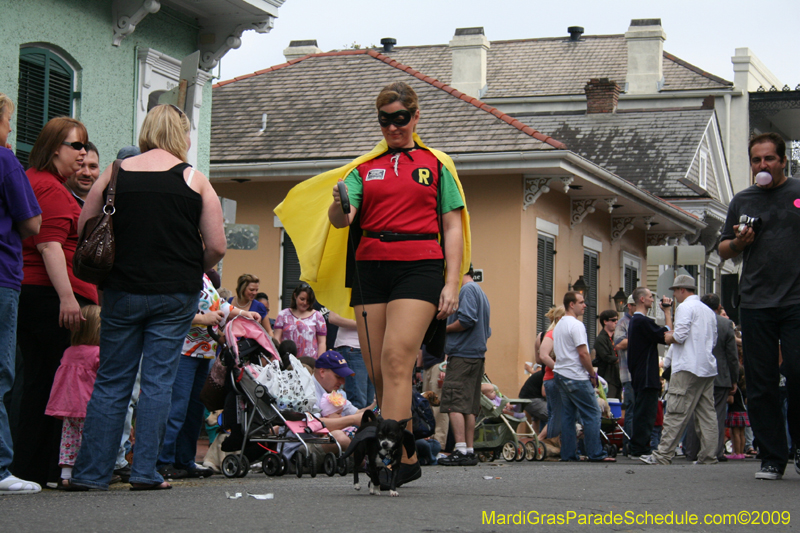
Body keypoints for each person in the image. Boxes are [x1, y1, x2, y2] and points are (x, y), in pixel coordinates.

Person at [278, 80, 470, 489]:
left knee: (399, 361)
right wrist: (338, 203)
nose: (393, 127)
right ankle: (404, 454)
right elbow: (340, 220)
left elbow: (453, 225)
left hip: (419, 267)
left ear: (416, 117)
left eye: (401, 118)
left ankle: (386, 458)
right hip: (370, 269)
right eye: (385, 120)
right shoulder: (364, 169)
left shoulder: (436, 164)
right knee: (382, 373)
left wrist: (451, 282)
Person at [68, 104, 226, 491]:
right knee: (158, 383)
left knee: (112, 382)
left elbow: (84, 225)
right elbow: (217, 246)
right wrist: (191, 264)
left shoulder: (115, 173)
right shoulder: (195, 180)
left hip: (121, 291)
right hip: (175, 295)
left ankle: (91, 474)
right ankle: (146, 472)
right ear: (180, 135)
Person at [14, 116, 99, 488]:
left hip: (40, 293)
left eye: (84, 145)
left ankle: (35, 468)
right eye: (75, 146)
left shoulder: (40, 183)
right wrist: (68, 298)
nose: (82, 153)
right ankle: (43, 469)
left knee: (38, 382)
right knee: (52, 386)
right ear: (53, 149)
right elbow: (48, 244)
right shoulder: (48, 188)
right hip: (51, 296)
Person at [718, 132, 800, 481]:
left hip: (796, 300)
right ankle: (772, 457)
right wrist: (739, 242)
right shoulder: (742, 200)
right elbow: (722, 249)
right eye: (756, 160)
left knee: (797, 373)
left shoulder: (797, 193)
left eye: (769, 159)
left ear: (783, 161)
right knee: (762, 383)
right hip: (754, 302)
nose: (762, 165)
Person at [157, 271, 260, 480]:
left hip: (204, 353)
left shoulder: (204, 277)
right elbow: (170, 311)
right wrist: (203, 318)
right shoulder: (181, 273)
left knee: (195, 410)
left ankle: (184, 460)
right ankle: (163, 462)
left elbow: (220, 305)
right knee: (177, 409)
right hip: (183, 352)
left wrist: (245, 314)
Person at [0, 92, 43, 495]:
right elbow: (31, 223)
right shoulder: (4, 160)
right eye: (8, 121)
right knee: (2, 371)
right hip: (2, 274)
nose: (11, 128)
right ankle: (0, 467)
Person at [640, 275, 718, 466]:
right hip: (706, 366)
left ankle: (663, 454)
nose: (674, 295)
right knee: (707, 413)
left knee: (675, 411)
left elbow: (680, 336)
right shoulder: (708, 311)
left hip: (687, 366)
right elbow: (713, 339)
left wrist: (668, 337)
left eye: (675, 291)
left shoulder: (685, 307)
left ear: (682, 290)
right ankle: (708, 456)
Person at [44, 305, 102, 487]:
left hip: (69, 406)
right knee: (91, 440)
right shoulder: (98, 353)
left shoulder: (69, 352)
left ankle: (66, 474)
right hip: (89, 405)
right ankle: (89, 472)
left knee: (69, 440)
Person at [438, 267, 491, 467]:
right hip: (476, 356)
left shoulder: (466, 290)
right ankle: (469, 450)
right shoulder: (481, 293)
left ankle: (459, 449)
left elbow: (467, 320)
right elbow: (487, 329)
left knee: (453, 401)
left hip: (462, 354)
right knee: (469, 405)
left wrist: (443, 328)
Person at [552, 291, 613, 462]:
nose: (585, 305)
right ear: (571, 304)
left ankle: (569, 454)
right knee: (593, 413)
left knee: (568, 415)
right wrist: (592, 374)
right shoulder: (577, 325)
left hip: (560, 373)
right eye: (581, 302)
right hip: (575, 375)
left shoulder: (559, 325)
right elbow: (583, 354)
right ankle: (596, 453)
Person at [684, 293, 739, 462]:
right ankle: (715, 451)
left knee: (696, 413)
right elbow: (732, 354)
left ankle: (692, 450)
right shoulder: (725, 323)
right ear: (718, 307)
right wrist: (734, 378)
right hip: (720, 375)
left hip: (698, 372)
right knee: (717, 414)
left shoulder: (696, 321)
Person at [627, 287, 673, 458]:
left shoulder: (637, 321)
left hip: (641, 373)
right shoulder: (641, 321)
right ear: (641, 300)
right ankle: (639, 447)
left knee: (643, 411)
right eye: (649, 297)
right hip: (646, 375)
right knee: (646, 413)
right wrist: (667, 311)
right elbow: (667, 334)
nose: (652, 300)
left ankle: (638, 446)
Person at [311, 351, 372, 449]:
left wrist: (379, 402)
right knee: (340, 438)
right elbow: (315, 426)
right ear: (322, 372)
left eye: (344, 378)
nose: (342, 382)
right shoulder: (307, 390)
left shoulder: (334, 391)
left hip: (321, 442)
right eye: (338, 377)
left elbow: (358, 413)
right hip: (303, 444)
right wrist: (352, 420)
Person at [329, 309, 374, 408]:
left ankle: (367, 423)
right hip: (352, 348)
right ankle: (356, 423)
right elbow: (333, 318)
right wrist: (364, 323)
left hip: (371, 349)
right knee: (358, 401)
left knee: (370, 402)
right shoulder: (346, 294)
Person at [274, 283, 327, 359]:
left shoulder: (318, 316)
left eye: (308, 300)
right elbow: (277, 340)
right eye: (302, 299)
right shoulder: (283, 315)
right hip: (287, 361)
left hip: (310, 362)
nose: (305, 303)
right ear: (295, 296)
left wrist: (320, 363)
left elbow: (322, 342)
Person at [537, 306, 566, 440]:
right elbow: (543, 356)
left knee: (556, 414)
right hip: (554, 378)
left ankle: (543, 442)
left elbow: (538, 358)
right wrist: (559, 369)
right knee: (557, 415)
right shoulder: (552, 334)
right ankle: (542, 442)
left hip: (550, 377)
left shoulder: (547, 334)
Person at [614, 295, 636, 454]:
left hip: (640, 375)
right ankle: (628, 446)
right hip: (628, 374)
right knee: (631, 411)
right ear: (630, 306)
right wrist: (640, 336)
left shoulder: (641, 321)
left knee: (638, 411)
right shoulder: (623, 323)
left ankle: (637, 444)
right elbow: (619, 344)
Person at [595, 309, 622, 399]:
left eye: (617, 320)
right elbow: (605, 357)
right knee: (609, 402)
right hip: (607, 378)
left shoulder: (616, 338)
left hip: (618, 377)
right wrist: (620, 360)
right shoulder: (600, 339)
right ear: (605, 321)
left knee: (618, 403)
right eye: (613, 320)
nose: (616, 322)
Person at [64, 142, 99, 207]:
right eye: (80, 165)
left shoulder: (106, 204)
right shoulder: (56, 198)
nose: (87, 173)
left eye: (93, 166)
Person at [518, 365, 547, 432]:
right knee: (554, 417)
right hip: (531, 399)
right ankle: (541, 438)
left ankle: (535, 439)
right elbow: (544, 393)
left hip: (525, 399)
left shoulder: (542, 373)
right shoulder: (546, 374)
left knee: (536, 419)